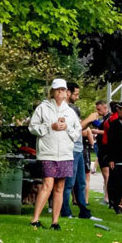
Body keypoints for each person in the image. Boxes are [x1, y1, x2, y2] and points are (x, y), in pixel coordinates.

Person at [28, 79, 82, 230]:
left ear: (66, 93)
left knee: (60, 187)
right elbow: (33, 127)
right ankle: (35, 219)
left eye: (63, 90)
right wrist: (49, 126)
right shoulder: (42, 108)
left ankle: (55, 222)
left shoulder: (70, 112)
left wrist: (66, 128)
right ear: (52, 92)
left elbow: (77, 133)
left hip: (65, 153)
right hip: (47, 152)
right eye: (57, 90)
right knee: (48, 184)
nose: (60, 92)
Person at [60, 82, 92, 220]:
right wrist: (89, 120)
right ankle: (65, 211)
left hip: (79, 149)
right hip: (70, 149)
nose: (77, 97)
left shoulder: (74, 108)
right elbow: (75, 128)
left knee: (81, 182)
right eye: (76, 94)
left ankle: (83, 211)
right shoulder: (64, 110)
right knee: (69, 183)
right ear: (68, 93)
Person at [105, 102, 122, 212]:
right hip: (118, 158)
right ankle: (116, 204)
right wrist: (111, 158)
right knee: (116, 182)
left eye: (120, 109)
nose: (118, 112)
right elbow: (110, 143)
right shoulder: (115, 124)